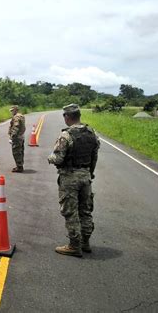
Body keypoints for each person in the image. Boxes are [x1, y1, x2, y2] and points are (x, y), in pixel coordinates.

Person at [47, 104, 100, 257]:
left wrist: (49, 157)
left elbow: (58, 158)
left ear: (67, 117)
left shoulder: (66, 135)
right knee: (85, 211)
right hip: (86, 176)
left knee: (71, 212)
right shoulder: (91, 133)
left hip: (70, 177)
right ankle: (85, 242)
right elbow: (94, 157)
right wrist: (90, 173)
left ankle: (74, 245)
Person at [8, 105, 26, 172]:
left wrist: (12, 136)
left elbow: (16, 127)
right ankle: (20, 165)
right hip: (21, 136)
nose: (11, 112)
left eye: (12, 110)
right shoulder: (21, 116)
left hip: (17, 137)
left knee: (16, 152)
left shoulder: (16, 117)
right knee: (20, 151)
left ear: (15, 110)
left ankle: (19, 167)